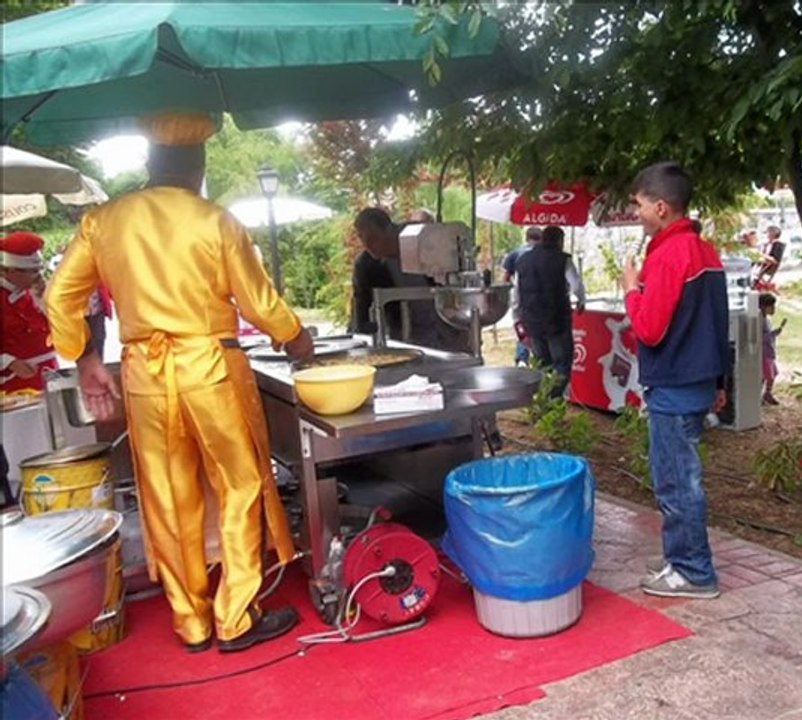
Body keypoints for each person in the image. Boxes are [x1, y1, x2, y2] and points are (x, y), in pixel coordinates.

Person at [45, 112, 314, 654]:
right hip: (211, 368)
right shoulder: (215, 220)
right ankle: (236, 615)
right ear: (198, 164)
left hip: (144, 370)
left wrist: (86, 358)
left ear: (149, 163)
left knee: (168, 496)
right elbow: (260, 304)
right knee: (239, 485)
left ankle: (189, 620)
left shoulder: (104, 220)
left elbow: (59, 299)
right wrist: (296, 339)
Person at [620, 161, 729, 600]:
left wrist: (631, 288)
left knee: (677, 482)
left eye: (639, 205)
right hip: (699, 381)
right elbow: (717, 324)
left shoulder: (668, 256)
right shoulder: (705, 251)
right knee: (685, 478)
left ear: (661, 207)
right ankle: (680, 557)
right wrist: (719, 382)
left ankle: (692, 571)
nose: (637, 214)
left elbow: (649, 329)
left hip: (674, 387)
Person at [349, 207, 469, 352]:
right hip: (406, 338)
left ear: (389, 229)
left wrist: (467, 330)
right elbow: (361, 306)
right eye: (363, 239)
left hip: (448, 330)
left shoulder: (423, 238)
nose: (368, 246)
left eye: (373, 238)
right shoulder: (367, 265)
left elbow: (460, 282)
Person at [515, 225, 584, 395]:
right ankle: (553, 399)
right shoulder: (563, 260)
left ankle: (544, 403)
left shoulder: (523, 260)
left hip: (531, 320)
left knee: (541, 363)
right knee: (561, 363)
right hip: (557, 321)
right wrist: (582, 300)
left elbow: (516, 292)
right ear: (560, 241)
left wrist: (516, 316)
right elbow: (575, 285)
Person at [1, 231, 59, 392]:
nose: (39, 276)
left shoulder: (34, 293)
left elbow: (58, 328)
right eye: (33, 271)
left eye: (40, 269)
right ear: (11, 271)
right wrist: (9, 362)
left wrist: (44, 299)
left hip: (49, 374)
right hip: (13, 383)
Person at [501, 226, 542, 366]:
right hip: (540, 299)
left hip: (520, 297)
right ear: (541, 239)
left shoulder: (515, 254)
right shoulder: (545, 255)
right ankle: (539, 358)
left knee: (523, 328)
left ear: (526, 238)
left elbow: (505, 278)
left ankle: (522, 358)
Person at [759, 293, 787, 406]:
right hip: (764, 353)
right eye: (771, 306)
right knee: (766, 375)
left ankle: (767, 393)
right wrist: (773, 333)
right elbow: (761, 337)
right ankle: (761, 395)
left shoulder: (766, 320)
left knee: (772, 374)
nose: (773, 309)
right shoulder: (760, 320)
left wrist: (775, 333)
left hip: (769, 352)